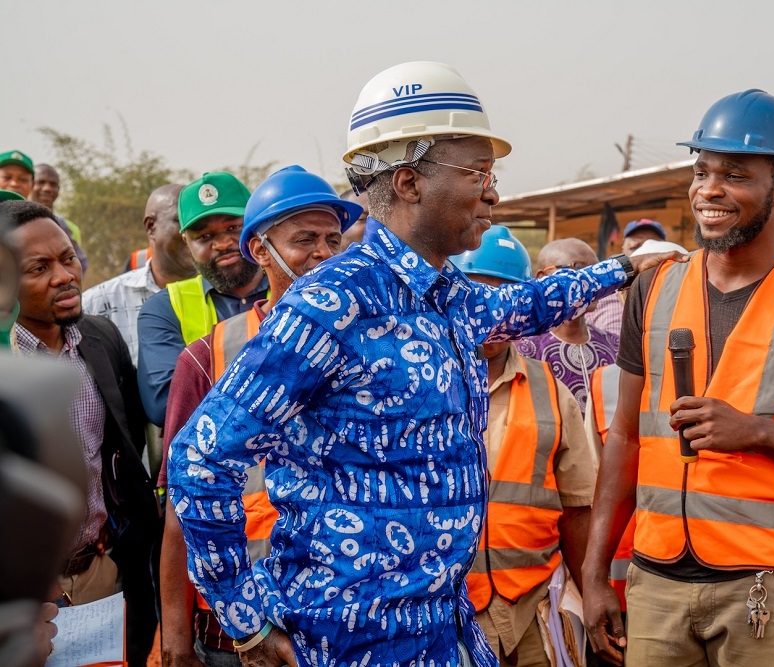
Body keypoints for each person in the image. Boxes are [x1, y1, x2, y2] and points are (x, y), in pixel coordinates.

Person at [168, 61, 676, 667]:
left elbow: (515, 305)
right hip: (348, 640)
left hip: (445, 628)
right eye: (477, 173)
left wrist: (622, 268)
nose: (492, 192)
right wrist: (245, 620)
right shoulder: (333, 304)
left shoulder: (442, 293)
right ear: (409, 183)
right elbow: (201, 457)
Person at [581, 89, 774, 667]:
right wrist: (595, 572)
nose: (710, 189)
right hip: (657, 584)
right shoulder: (652, 291)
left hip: (770, 588)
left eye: (734, 174)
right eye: (701, 171)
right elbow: (623, 436)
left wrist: (756, 432)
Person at [158, 166, 360, 667]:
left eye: (334, 239)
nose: (324, 254)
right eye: (305, 239)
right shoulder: (208, 357)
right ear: (261, 252)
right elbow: (178, 514)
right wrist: (177, 645)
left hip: (353, 623)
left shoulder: (373, 348)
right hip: (246, 632)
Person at [2, 199, 160, 667]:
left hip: (101, 572)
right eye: (40, 267)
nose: (64, 276)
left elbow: (126, 449)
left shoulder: (100, 338)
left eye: (68, 257)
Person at [451, 226, 596, 666]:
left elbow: (577, 509)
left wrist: (592, 595)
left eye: (505, 297)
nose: (491, 312)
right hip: (444, 619)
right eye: (476, 295)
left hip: (533, 614)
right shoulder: (413, 383)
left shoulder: (549, 390)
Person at [136, 171, 268, 428]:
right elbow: (167, 405)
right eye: (205, 237)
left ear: (256, 225)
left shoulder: (295, 288)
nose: (222, 243)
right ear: (187, 243)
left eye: (233, 228)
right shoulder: (163, 309)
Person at [82, 184, 195, 365]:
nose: (193, 234)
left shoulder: (227, 296)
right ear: (151, 226)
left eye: (199, 224)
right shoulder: (96, 304)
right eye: (182, 221)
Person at [517, 238, 621, 412]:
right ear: (543, 277)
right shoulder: (524, 349)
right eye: (578, 268)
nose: (591, 280)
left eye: (596, 271)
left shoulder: (615, 346)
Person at [0, 152, 87, 274]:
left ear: (31, 184)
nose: (15, 183)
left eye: (23, 179)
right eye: (7, 177)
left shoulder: (60, 225)